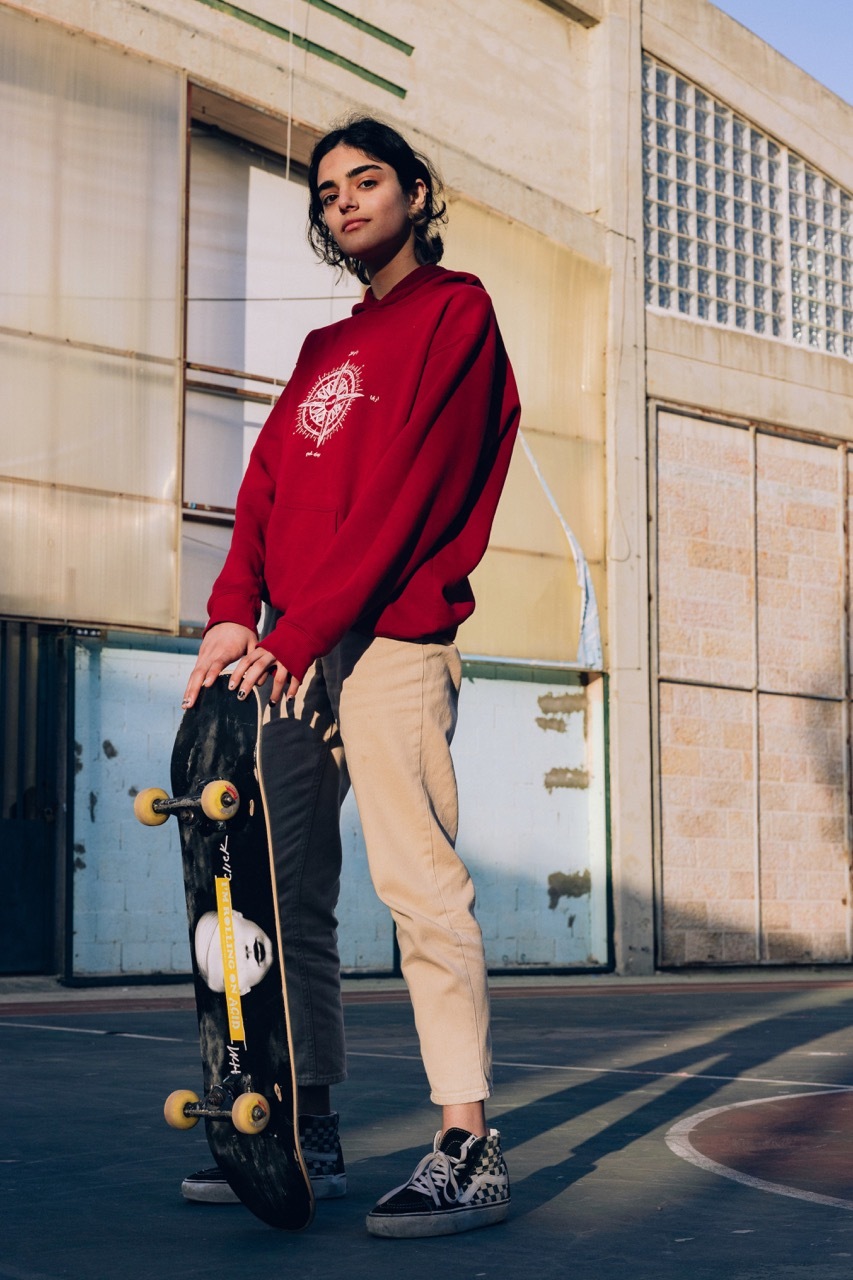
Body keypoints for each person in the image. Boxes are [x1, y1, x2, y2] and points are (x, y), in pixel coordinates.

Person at [179, 115, 520, 1238]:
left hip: (393, 639)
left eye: (366, 181)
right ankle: (307, 1129)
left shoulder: (456, 314)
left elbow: (411, 493)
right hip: (295, 648)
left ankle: (468, 1146)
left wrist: (301, 626)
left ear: (415, 192)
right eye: (327, 193)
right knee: (286, 896)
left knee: (419, 887)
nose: (345, 202)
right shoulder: (324, 348)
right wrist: (235, 614)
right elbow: (265, 485)